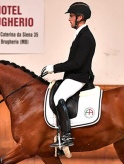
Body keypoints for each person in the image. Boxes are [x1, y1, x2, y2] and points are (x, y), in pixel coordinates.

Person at [41, 2, 96, 148]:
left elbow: (76, 63)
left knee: (59, 97)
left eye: (71, 16)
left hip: (79, 77)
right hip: (74, 76)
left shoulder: (86, 37)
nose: (69, 19)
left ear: (80, 17)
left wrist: (53, 68)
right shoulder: (80, 34)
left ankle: (66, 136)